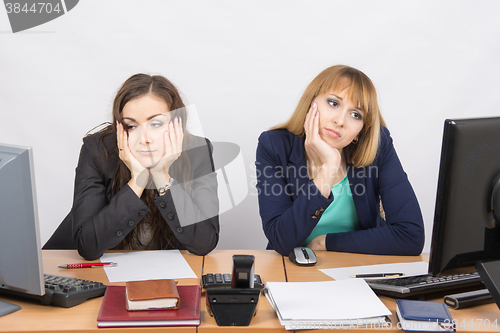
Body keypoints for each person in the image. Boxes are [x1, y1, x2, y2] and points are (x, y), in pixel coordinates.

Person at [255, 65, 424, 256]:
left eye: (356, 115)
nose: (340, 121)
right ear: (311, 102)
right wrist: (328, 168)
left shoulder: (379, 145)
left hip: (357, 267)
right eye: (333, 103)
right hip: (293, 270)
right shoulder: (275, 145)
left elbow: (411, 236)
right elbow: (282, 241)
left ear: (360, 131)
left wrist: (327, 242)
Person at [71, 74, 219, 260]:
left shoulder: (197, 151)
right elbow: (88, 246)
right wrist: (138, 180)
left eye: (155, 124)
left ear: (177, 124)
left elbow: (204, 242)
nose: (144, 139)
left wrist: (161, 176)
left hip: (168, 277)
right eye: (131, 126)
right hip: (103, 275)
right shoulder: (98, 151)